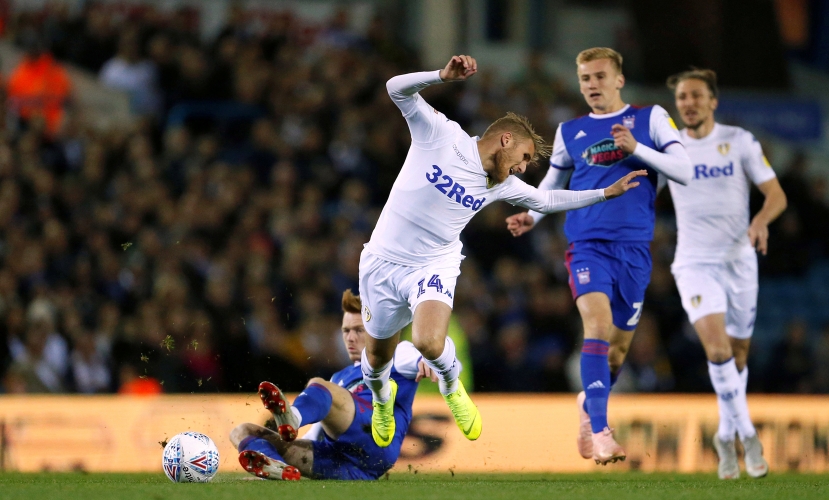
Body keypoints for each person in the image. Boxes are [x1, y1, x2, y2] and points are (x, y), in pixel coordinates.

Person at [361, 54, 645, 450]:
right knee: (377, 358)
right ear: (505, 140)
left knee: (429, 342)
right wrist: (440, 76)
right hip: (382, 260)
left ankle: (451, 384)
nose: (524, 168)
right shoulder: (442, 135)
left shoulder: (501, 185)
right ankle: (381, 399)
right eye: (525, 157)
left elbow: (546, 200)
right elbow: (395, 89)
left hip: (434, 263)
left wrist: (604, 193)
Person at [505, 47, 693, 464]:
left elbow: (685, 171)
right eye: (585, 78)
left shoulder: (651, 118)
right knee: (597, 324)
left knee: (618, 352)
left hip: (635, 251)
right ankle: (602, 430)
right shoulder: (570, 131)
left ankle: (587, 407)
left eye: (600, 76)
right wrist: (532, 216)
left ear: (619, 80)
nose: (592, 85)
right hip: (587, 246)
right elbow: (552, 185)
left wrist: (637, 148)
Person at [666, 68, 786, 479]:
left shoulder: (739, 141)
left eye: (696, 95)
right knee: (717, 351)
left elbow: (776, 195)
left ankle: (723, 434)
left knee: (738, 354)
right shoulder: (670, 148)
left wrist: (761, 221)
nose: (689, 103)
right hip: (694, 263)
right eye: (682, 97)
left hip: (740, 262)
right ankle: (748, 435)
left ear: (713, 101)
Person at [229, 289, 439, 480]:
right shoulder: (339, 377)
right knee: (242, 431)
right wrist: (288, 450)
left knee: (319, 385)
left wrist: (428, 361)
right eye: (346, 331)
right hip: (345, 463)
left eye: (359, 330)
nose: (350, 338)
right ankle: (276, 467)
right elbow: (316, 433)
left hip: (377, 441)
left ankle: (293, 417)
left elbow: (420, 357)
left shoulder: (396, 353)